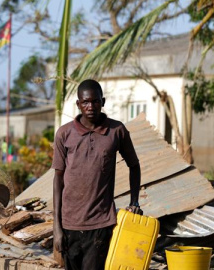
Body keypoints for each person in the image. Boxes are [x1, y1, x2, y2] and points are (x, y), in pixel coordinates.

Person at [52, 79, 141, 270]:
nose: (90, 106)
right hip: (70, 225)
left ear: (103, 102)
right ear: (78, 104)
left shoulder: (117, 131)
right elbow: (58, 179)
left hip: (100, 224)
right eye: (85, 102)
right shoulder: (64, 134)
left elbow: (134, 165)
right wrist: (57, 228)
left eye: (95, 101)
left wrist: (134, 201)